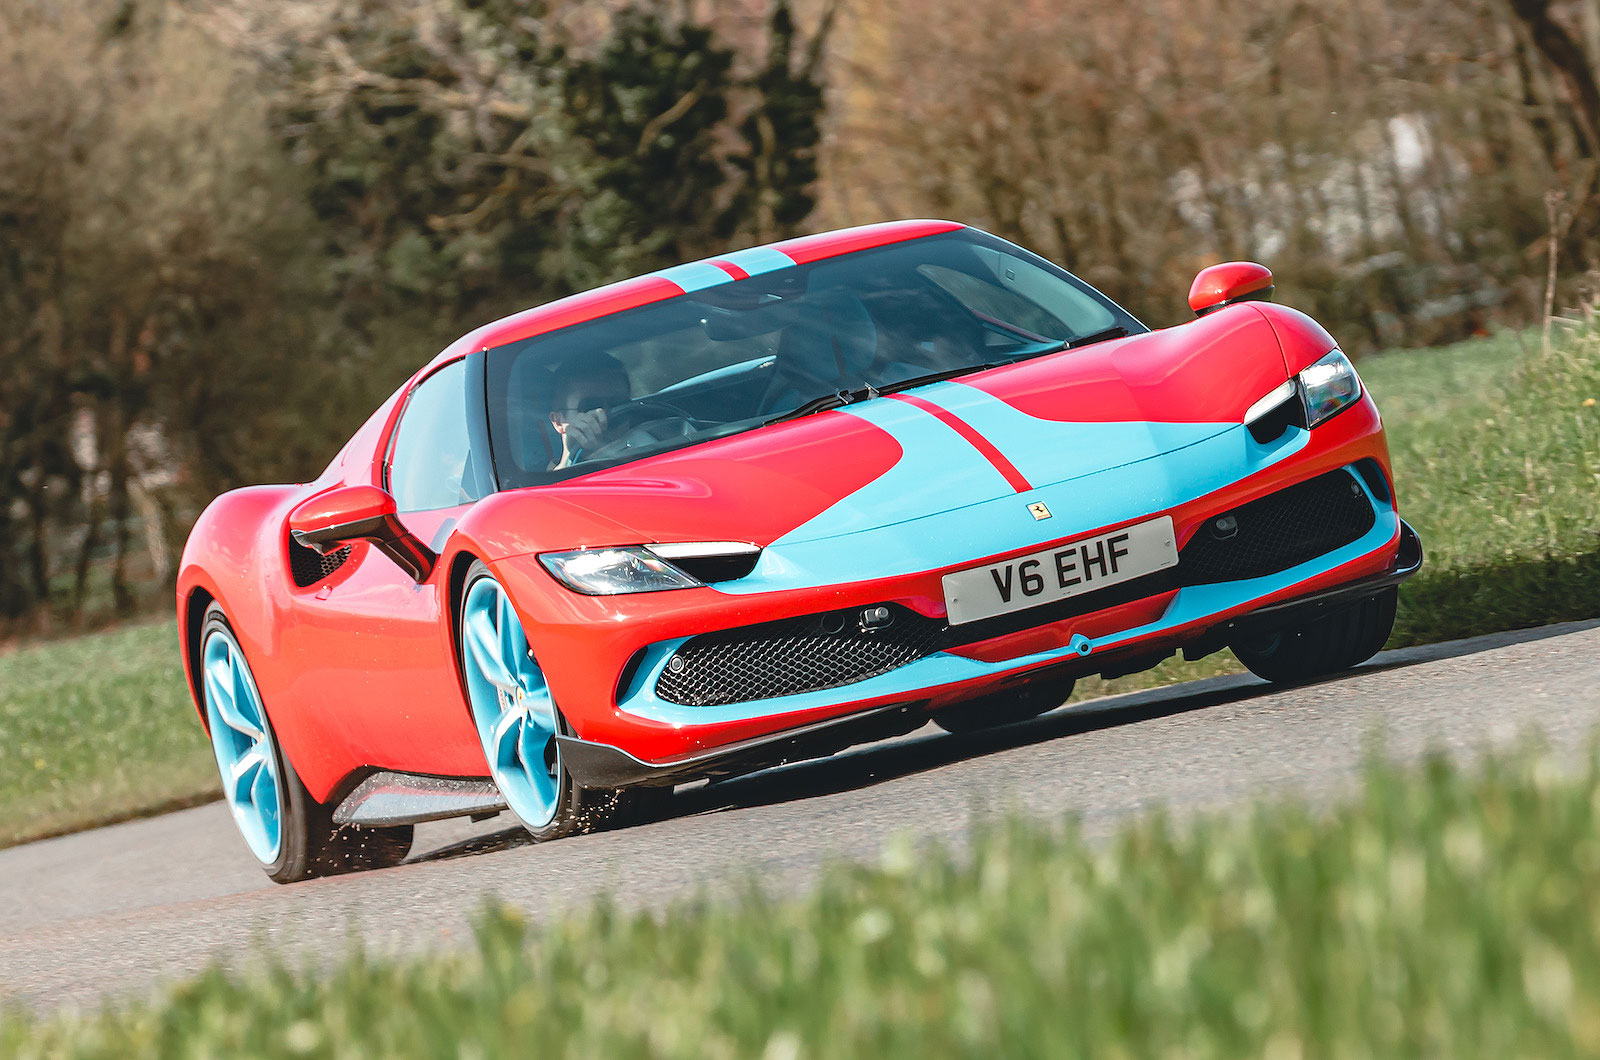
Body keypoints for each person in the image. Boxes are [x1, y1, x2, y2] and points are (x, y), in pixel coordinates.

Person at [547, 353, 631, 470]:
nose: (604, 416)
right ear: (558, 422)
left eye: (617, 403)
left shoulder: (652, 444)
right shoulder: (550, 481)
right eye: (591, 407)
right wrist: (571, 459)